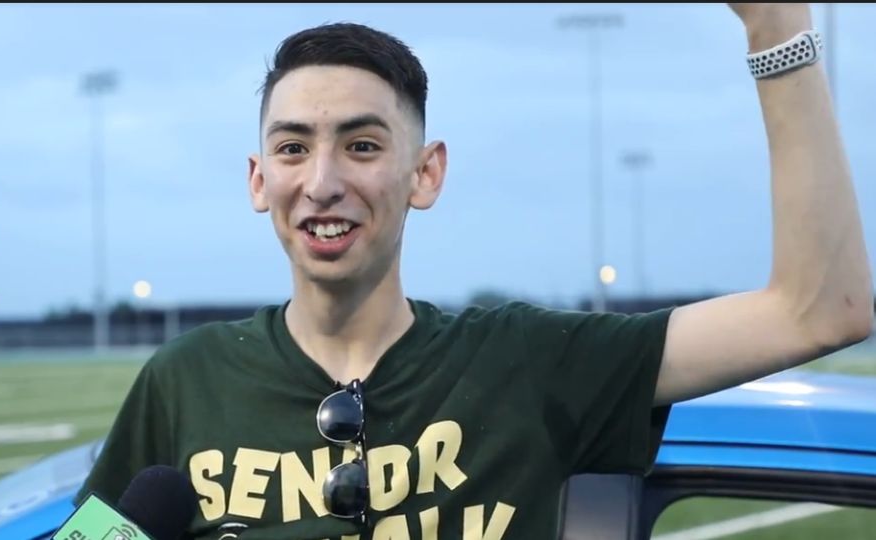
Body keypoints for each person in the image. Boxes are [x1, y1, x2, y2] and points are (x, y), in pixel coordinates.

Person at [74, 4, 873, 539]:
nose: (321, 182)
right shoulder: (183, 383)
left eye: (362, 145)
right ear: (259, 180)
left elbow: (821, 309)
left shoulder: (527, 364)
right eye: (292, 148)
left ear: (425, 174)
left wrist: (777, 24)